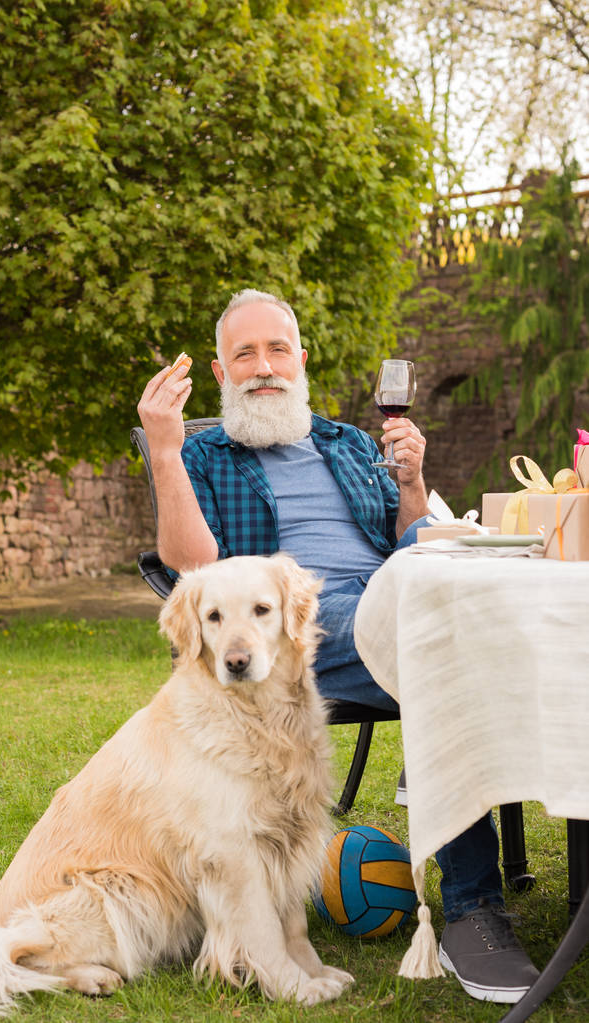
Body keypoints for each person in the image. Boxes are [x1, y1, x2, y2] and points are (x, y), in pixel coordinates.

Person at [137, 288, 539, 1004]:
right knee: (440, 652)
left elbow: (408, 536)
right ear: (220, 371)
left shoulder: (349, 442)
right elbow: (193, 570)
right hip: (296, 628)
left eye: (277, 349)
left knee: (514, 619)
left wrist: (412, 482)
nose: (264, 366)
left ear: (300, 359)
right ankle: (473, 910)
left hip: (401, 597)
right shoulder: (202, 455)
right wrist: (163, 451)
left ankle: (460, 798)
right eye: (244, 354)